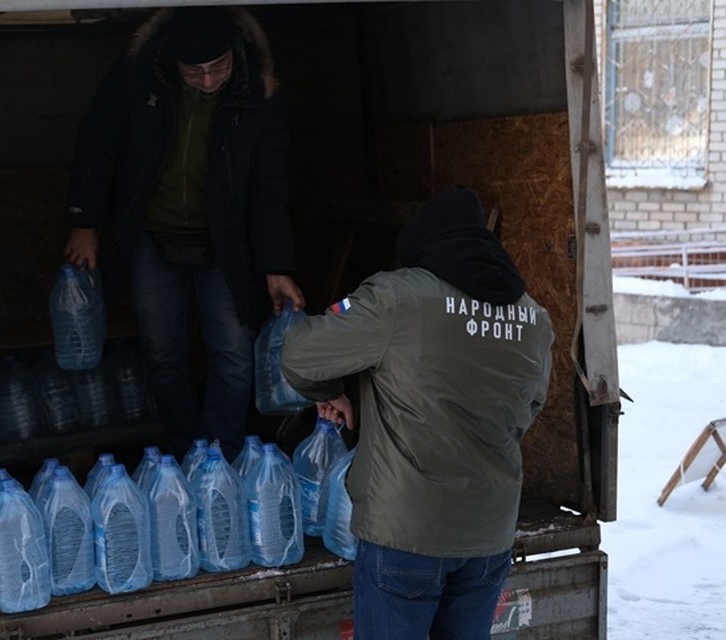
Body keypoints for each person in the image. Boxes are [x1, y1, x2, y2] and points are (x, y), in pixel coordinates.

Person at [280, 185, 554, 640]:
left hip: (406, 537)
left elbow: (299, 353)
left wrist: (332, 389)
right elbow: (532, 406)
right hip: (489, 535)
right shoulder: (534, 318)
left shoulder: (397, 298)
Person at [63, 7, 305, 461]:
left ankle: (220, 459)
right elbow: (96, 143)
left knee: (234, 357)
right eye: (195, 71)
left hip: (226, 243)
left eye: (219, 68)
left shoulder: (262, 94)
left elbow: (270, 188)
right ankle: (181, 453)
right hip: (151, 237)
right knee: (163, 356)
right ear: (172, 60)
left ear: (235, 53)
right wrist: (85, 222)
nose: (210, 81)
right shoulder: (137, 78)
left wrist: (276, 267)